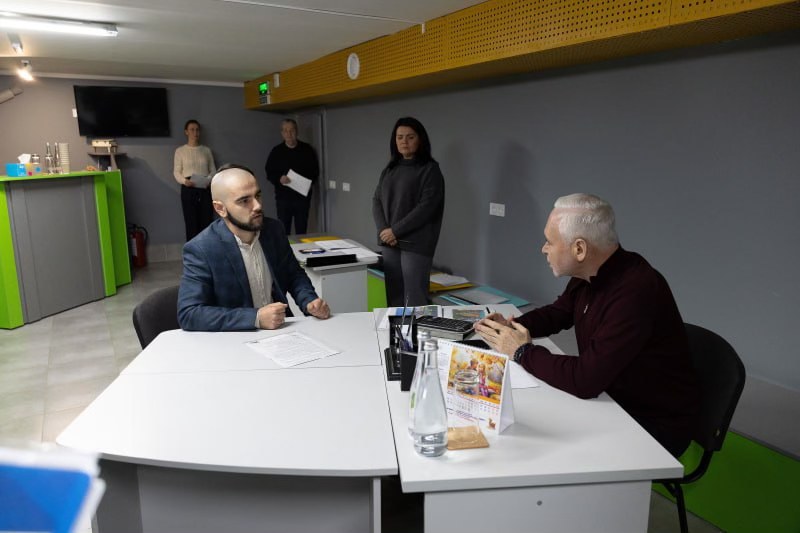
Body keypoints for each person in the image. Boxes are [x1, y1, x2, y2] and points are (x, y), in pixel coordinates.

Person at [474, 193, 699, 458]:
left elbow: (585, 380)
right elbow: (558, 313)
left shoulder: (636, 290)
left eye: (550, 242)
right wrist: (511, 327)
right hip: (611, 397)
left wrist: (522, 352)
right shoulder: (591, 273)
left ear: (579, 249)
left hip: (650, 424)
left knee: (534, 443)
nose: (544, 249)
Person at [178, 164, 330, 332]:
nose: (257, 206)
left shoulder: (274, 230)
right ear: (220, 208)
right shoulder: (201, 248)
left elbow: (293, 274)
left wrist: (309, 301)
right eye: (244, 200)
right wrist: (255, 318)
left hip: (282, 330)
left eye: (257, 195)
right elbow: (189, 313)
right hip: (237, 337)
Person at [372, 117, 445, 307]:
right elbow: (377, 200)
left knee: (415, 298)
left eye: (410, 137)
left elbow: (426, 208)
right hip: (389, 242)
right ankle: (398, 329)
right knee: (394, 297)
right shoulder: (390, 169)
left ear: (420, 139)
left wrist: (395, 231)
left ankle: (417, 329)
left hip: (415, 244)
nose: (404, 141)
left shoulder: (430, 170)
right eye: (400, 137)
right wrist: (383, 230)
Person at [264, 118, 319, 235]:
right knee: (284, 231)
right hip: (283, 199)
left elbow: (315, 171)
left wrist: (310, 183)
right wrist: (279, 179)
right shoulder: (276, 151)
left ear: (296, 131)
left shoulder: (307, 149)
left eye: (292, 130)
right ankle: (285, 248)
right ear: (282, 133)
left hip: (302, 199)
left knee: (301, 230)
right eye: (285, 131)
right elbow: (269, 172)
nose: (289, 134)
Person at [174, 119, 216, 241]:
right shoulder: (180, 151)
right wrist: (184, 181)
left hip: (204, 187)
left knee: (206, 220)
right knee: (191, 222)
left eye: (197, 130)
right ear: (186, 132)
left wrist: (209, 180)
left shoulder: (206, 150)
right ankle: (193, 251)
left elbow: (213, 170)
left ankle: (207, 249)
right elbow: (176, 172)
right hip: (188, 187)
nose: (195, 132)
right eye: (192, 130)